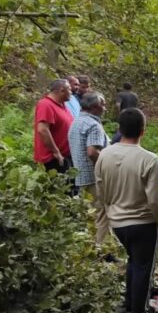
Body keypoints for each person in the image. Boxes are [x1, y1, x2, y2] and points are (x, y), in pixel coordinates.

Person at [95, 108, 158, 313]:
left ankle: (129, 303)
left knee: (134, 262)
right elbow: (155, 200)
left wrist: (106, 220)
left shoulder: (104, 155)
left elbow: (101, 193)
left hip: (117, 222)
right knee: (144, 267)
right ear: (143, 131)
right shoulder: (149, 160)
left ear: (119, 128)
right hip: (143, 222)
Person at [68, 92, 111, 247]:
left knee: (90, 215)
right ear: (94, 107)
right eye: (103, 104)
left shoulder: (76, 122)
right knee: (102, 214)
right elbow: (93, 152)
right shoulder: (93, 125)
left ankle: (91, 247)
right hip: (94, 178)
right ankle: (104, 249)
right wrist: (106, 168)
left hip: (81, 176)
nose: (105, 108)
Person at [33, 79, 74, 174]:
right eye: (70, 89)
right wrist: (56, 152)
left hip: (65, 156)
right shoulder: (46, 104)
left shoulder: (62, 104)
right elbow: (43, 130)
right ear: (62, 90)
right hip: (53, 159)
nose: (71, 93)